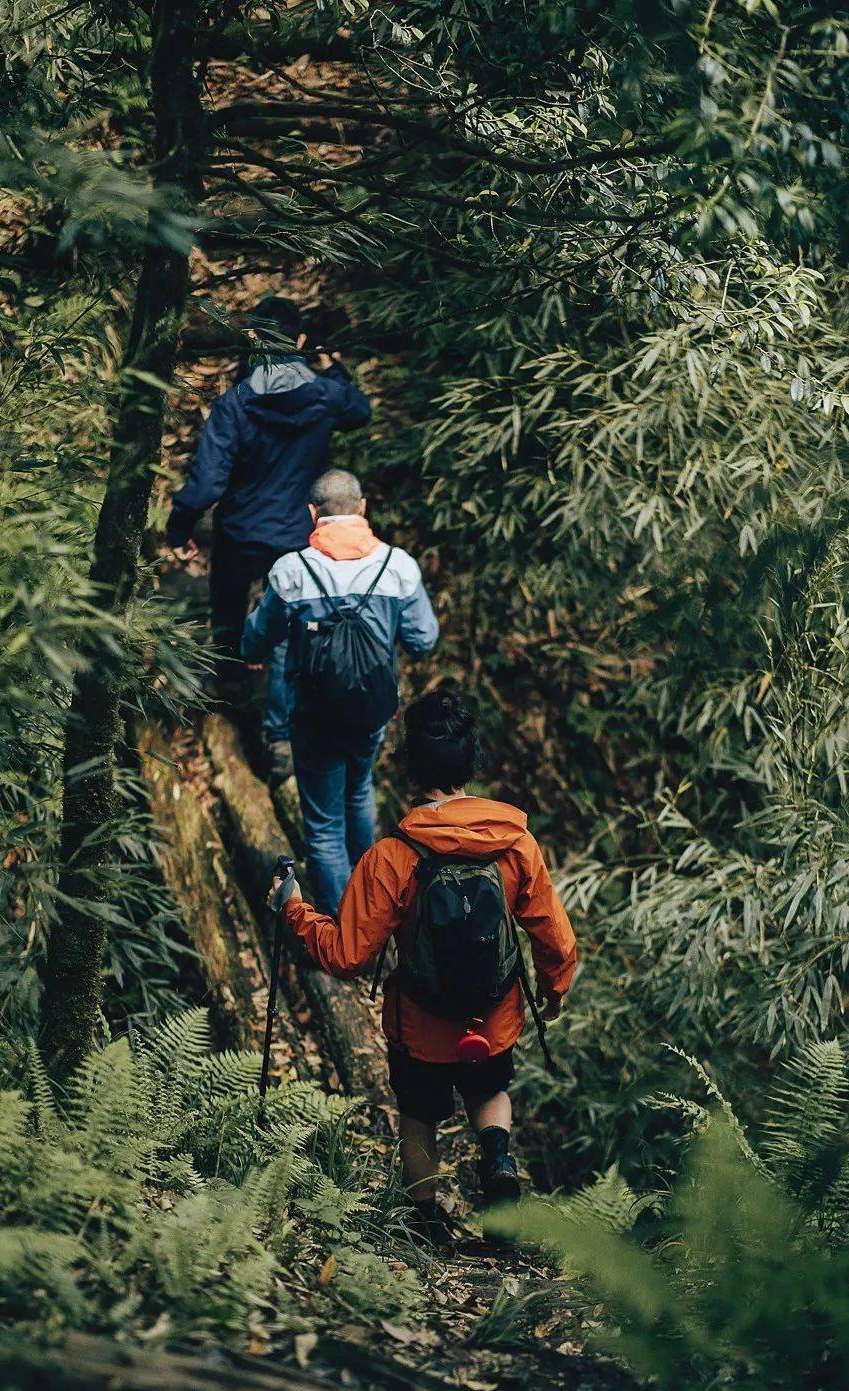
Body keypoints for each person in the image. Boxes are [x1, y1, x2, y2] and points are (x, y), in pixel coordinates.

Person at [273, 688, 578, 1249]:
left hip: (421, 1023)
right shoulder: (515, 845)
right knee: (490, 1092)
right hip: (493, 1018)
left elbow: (346, 956)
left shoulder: (393, 856)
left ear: (411, 768)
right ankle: (497, 1157)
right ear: (471, 765)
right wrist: (554, 992)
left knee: (419, 1116)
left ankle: (426, 1223)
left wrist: (293, 908)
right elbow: (553, 935)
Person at [167, 296, 371, 778]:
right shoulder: (324, 396)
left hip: (238, 531)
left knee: (228, 608)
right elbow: (359, 411)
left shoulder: (235, 404)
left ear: (254, 338)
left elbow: (209, 482)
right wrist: (335, 369)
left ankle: (230, 690)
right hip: (296, 537)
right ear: (299, 342)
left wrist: (180, 525)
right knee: (285, 636)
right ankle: (278, 739)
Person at [242, 468, 439, 916]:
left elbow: (255, 641)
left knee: (325, 825)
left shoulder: (292, 571)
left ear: (313, 514)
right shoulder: (399, 567)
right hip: (372, 712)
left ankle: (342, 929)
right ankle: (372, 903)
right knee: (358, 791)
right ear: (363, 508)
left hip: (314, 717)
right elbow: (423, 639)